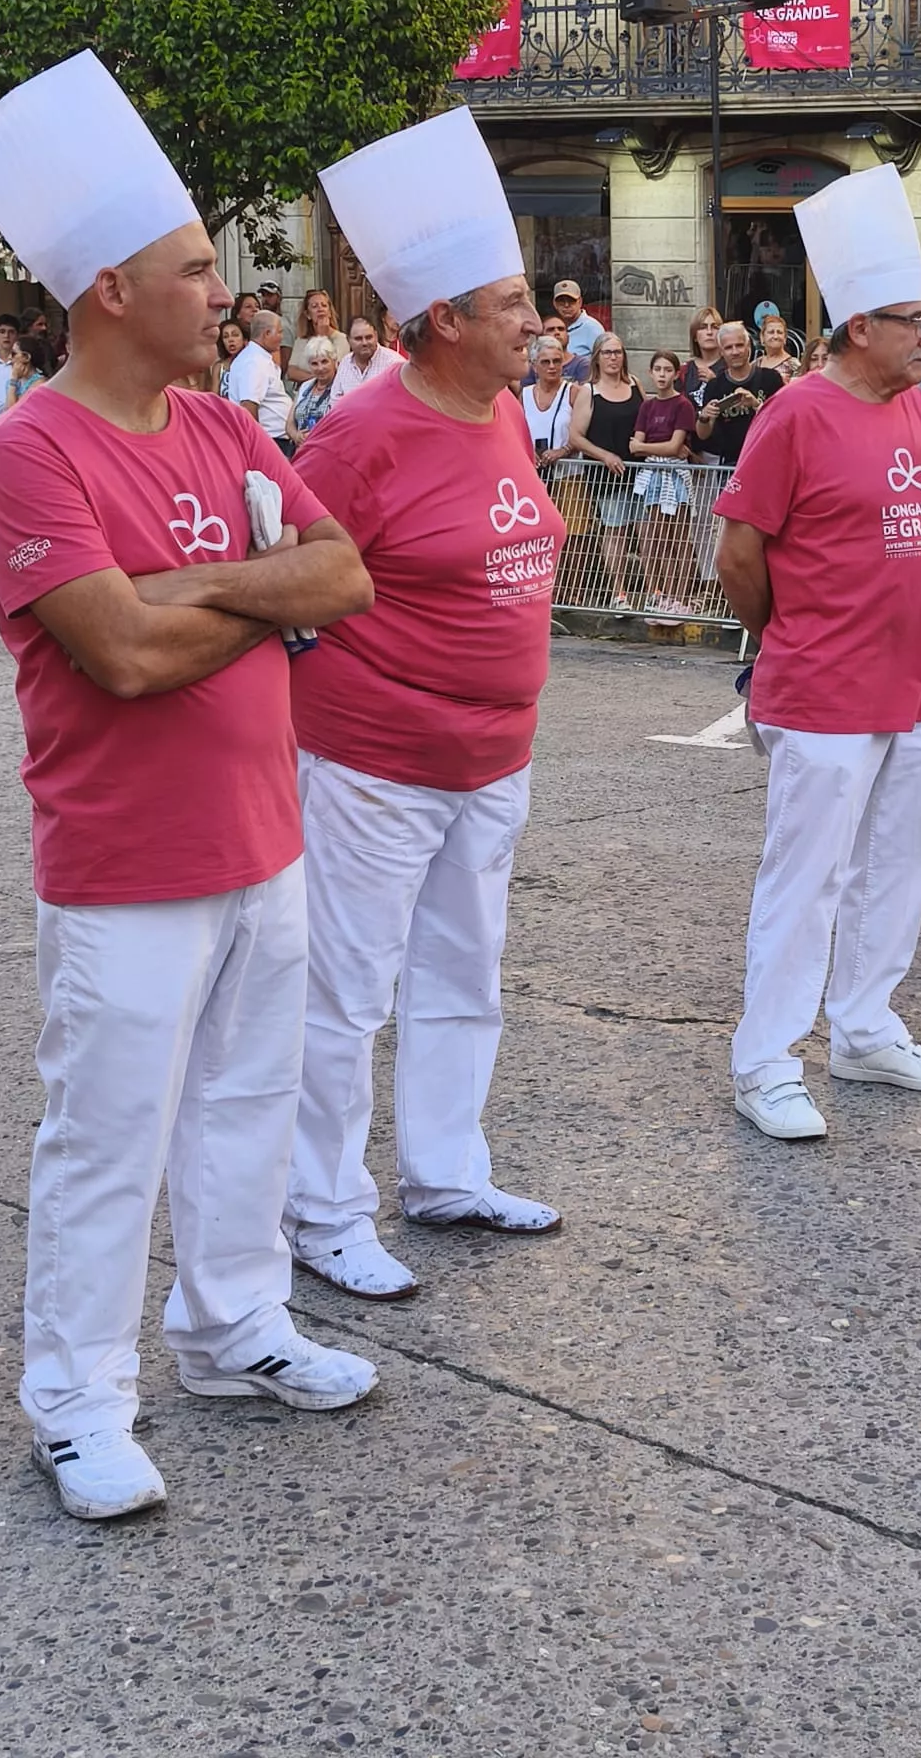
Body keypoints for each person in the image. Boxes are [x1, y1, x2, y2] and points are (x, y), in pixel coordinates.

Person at [0, 50, 378, 1521]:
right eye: (197, 270)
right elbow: (124, 659)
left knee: (250, 1105)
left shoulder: (214, 423)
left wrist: (205, 581)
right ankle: (78, 1402)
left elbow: (347, 568)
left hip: (266, 843)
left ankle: (233, 1328)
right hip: (127, 864)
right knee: (106, 1139)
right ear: (112, 293)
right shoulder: (25, 453)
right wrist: (263, 598)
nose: (228, 293)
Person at [285, 105, 567, 1300]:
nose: (538, 318)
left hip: (494, 757)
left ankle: (446, 1171)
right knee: (345, 990)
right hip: (375, 763)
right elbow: (290, 573)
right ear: (442, 319)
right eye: (511, 303)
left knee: (466, 971)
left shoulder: (502, 407)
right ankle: (323, 1209)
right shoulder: (359, 433)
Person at [715, 164, 921, 1141]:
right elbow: (738, 555)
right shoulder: (796, 412)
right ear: (859, 325)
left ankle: (866, 1027)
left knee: (898, 865)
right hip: (823, 690)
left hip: (912, 687)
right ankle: (766, 1061)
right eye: (914, 318)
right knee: (807, 880)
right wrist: (785, 635)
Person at [568, 332, 643, 611]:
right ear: (597, 357)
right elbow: (576, 437)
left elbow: (646, 419)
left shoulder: (634, 384)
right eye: (607, 352)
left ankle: (655, 589)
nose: (613, 358)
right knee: (616, 532)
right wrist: (604, 456)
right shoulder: (589, 392)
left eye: (617, 352)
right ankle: (619, 592)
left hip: (638, 470)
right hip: (607, 475)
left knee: (647, 531)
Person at [630, 350, 697, 617]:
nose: (662, 375)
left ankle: (681, 596)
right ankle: (665, 594)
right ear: (650, 372)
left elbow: (673, 446)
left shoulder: (683, 405)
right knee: (658, 537)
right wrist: (649, 448)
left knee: (679, 538)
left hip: (675, 474)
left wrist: (646, 447)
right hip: (653, 475)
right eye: (657, 369)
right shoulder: (647, 406)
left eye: (667, 370)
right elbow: (634, 446)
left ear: (675, 374)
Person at [696, 321, 780, 467]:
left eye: (739, 345)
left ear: (748, 347)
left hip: (768, 461)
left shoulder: (771, 379)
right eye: (728, 347)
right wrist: (704, 416)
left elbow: (783, 421)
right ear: (721, 352)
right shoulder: (715, 385)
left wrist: (756, 405)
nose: (735, 352)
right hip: (731, 465)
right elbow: (703, 434)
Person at [226, 309, 297, 457]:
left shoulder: (259, 358)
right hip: (271, 442)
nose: (282, 337)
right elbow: (248, 406)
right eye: (279, 332)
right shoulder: (254, 362)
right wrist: (258, 446)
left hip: (278, 440)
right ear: (266, 334)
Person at [521, 333, 576, 468]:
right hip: (533, 471)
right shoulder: (525, 395)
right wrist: (527, 451)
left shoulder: (574, 392)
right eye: (545, 362)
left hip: (567, 475)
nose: (552, 366)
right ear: (534, 366)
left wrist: (563, 451)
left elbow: (584, 433)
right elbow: (516, 432)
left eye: (556, 361)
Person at [328, 314, 401, 405]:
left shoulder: (394, 363)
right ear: (348, 340)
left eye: (369, 337)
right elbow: (335, 401)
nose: (364, 343)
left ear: (376, 336)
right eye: (358, 339)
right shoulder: (345, 363)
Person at [286, 289, 349, 385]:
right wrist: (316, 379)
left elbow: (334, 371)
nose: (320, 309)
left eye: (324, 305)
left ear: (330, 312)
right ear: (308, 315)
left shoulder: (341, 339)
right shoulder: (301, 340)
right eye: (315, 306)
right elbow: (292, 372)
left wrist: (323, 334)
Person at [522, 313, 589, 388]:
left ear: (568, 336)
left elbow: (584, 394)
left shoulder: (582, 365)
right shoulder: (532, 367)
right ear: (540, 336)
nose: (557, 332)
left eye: (561, 329)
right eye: (551, 330)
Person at [291, 336, 339, 436]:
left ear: (334, 361)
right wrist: (296, 435)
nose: (320, 368)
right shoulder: (305, 387)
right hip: (302, 448)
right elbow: (289, 423)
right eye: (314, 364)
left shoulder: (341, 386)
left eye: (324, 361)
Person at [679, 306, 723, 404]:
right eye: (703, 327)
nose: (709, 332)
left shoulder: (729, 367)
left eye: (714, 327)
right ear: (694, 336)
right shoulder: (684, 371)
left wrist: (715, 383)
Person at [552, 279, 605, 360]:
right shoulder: (552, 327)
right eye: (561, 301)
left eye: (571, 301)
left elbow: (604, 360)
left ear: (580, 302)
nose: (566, 305)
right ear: (555, 304)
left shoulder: (593, 328)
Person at [8, 333, 55, 404]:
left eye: (13, 354)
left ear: (27, 357)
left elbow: (13, 410)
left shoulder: (39, 384)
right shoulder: (19, 381)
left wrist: (13, 380)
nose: (9, 357)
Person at [211, 316, 246, 397]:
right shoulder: (219, 367)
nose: (230, 340)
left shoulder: (252, 363)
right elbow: (214, 398)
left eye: (235, 335)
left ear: (244, 339)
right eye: (226, 337)